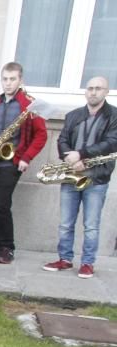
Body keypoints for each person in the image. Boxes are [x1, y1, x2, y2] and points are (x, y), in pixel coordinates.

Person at [0, 62, 47, 265]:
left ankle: (7, 247)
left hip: (11, 162)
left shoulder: (29, 104)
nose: (8, 83)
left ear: (20, 80)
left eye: (12, 79)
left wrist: (26, 158)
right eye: (5, 79)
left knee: (1, 204)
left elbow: (41, 134)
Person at [42, 76, 117, 279]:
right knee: (65, 223)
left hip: (96, 178)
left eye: (98, 88)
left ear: (106, 92)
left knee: (91, 225)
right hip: (71, 175)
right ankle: (65, 259)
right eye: (90, 88)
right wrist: (69, 156)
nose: (93, 92)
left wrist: (81, 154)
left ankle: (87, 263)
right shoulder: (74, 115)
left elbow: (111, 143)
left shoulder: (114, 116)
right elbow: (63, 139)